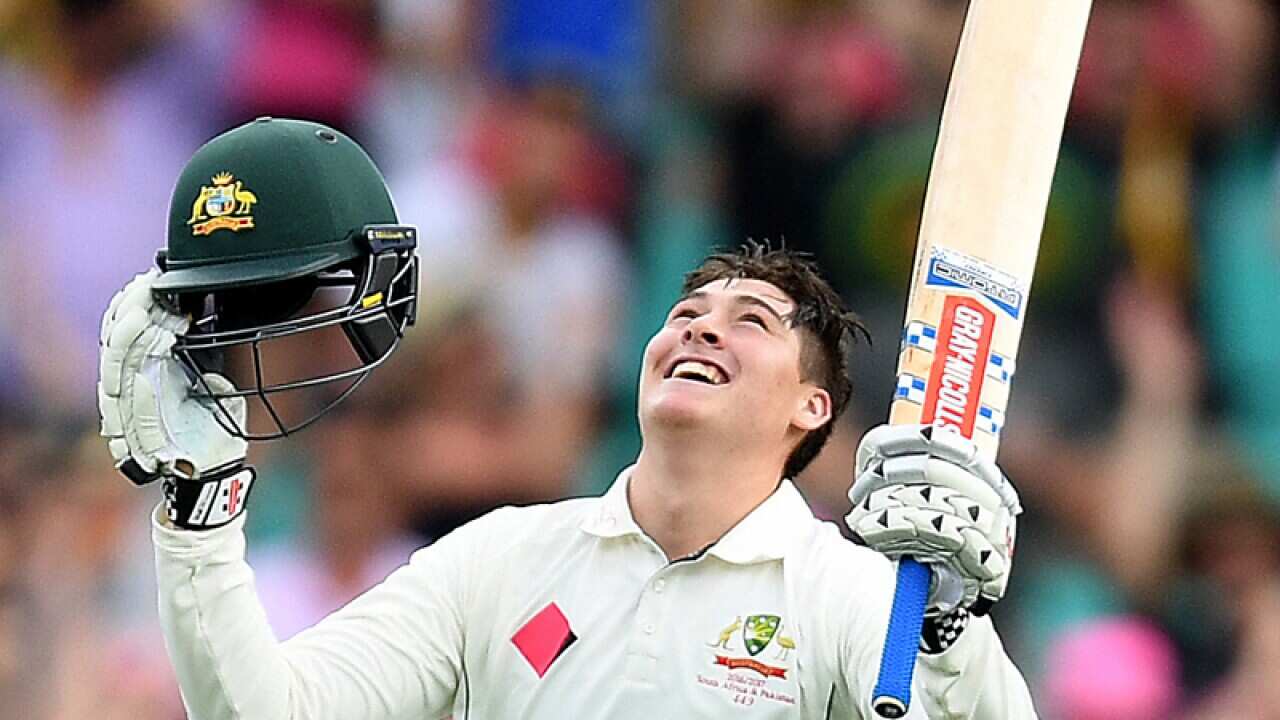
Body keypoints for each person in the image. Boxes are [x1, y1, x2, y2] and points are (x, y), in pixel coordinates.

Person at [98, 118, 1034, 718]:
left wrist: (953, 642)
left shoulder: (851, 594)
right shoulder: (498, 560)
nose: (701, 330)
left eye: (749, 323)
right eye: (684, 317)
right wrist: (199, 517)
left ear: (812, 407)